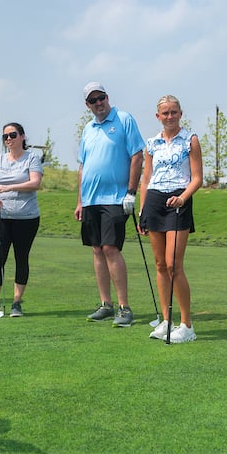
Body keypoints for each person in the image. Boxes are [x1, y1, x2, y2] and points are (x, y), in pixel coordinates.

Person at [75, 82, 145, 327]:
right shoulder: (88, 129)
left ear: (107, 97)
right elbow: (82, 166)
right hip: (91, 199)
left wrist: (131, 192)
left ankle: (124, 307)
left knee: (110, 248)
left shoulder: (124, 119)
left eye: (101, 97)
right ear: (88, 105)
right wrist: (80, 201)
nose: (99, 103)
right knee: (96, 248)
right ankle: (106, 304)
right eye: (93, 100)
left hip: (116, 197)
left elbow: (137, 155)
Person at [138, 95, 203, 343]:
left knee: (174, 264)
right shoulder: (152, 143)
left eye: (174, 112)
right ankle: (166, 321)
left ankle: (186, 326)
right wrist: (143, 209)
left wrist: (183, 198)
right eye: (165, 113)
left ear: (180, 113)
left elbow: (197, 178)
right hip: (154, 201)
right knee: (160, 265)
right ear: (158, 116)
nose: (169, 117)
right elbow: (147, 178)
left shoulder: (190, 140)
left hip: (178, 201)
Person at [0, 123, 44, 318]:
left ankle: (17, 303)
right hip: (0, 217)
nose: (9, 139)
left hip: (26, 218)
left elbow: (35, 183)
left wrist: (9, 188)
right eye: (5, 137)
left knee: (21, 257)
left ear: (22, 136)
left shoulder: (32, 158)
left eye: (12, 135)